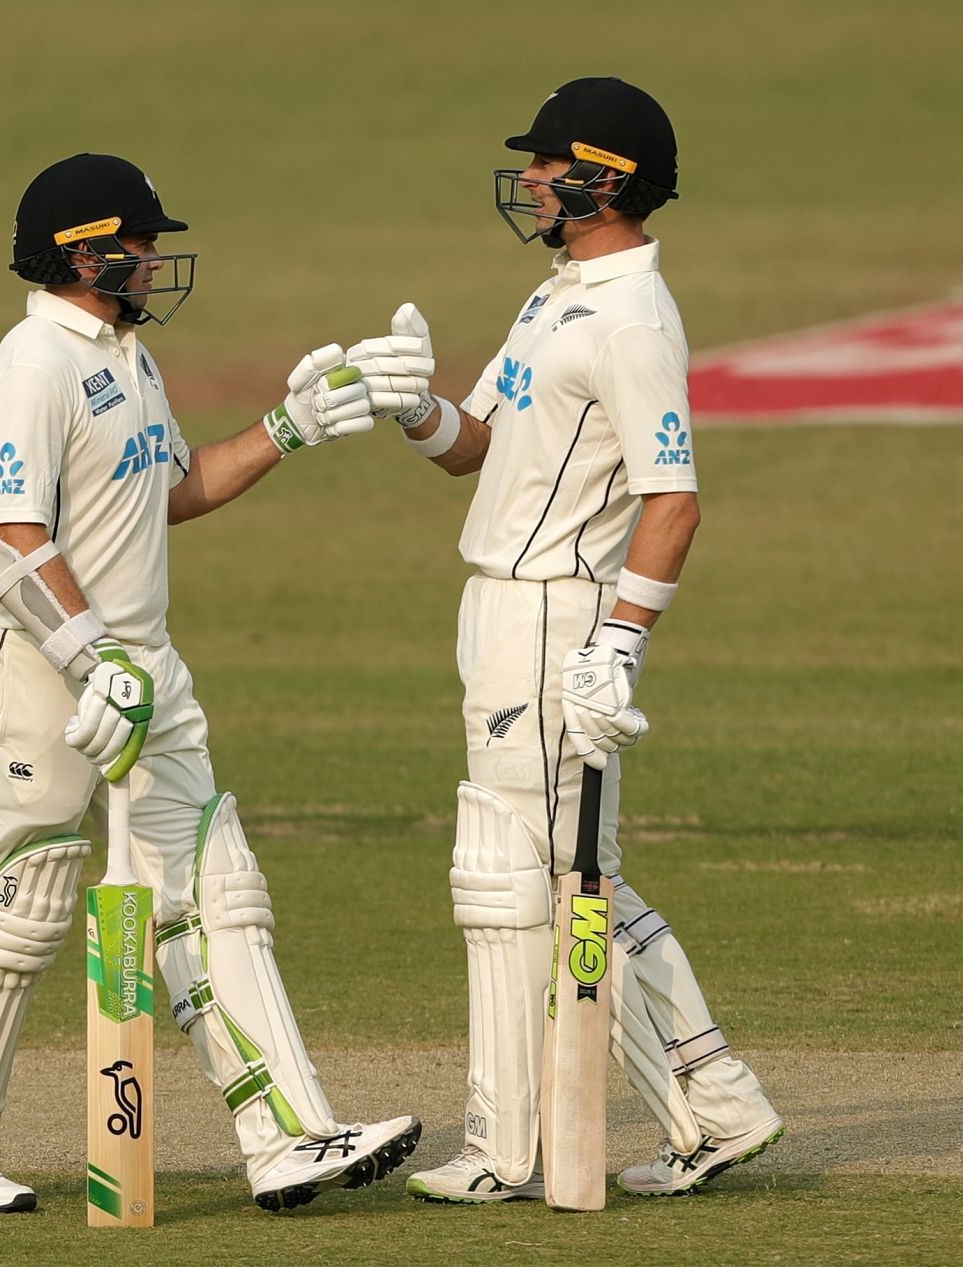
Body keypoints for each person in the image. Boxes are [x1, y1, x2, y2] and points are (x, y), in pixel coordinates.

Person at [0, 152, 421, 1215]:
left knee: (214, 890)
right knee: (17, 908)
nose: (151, 261)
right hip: (45, 676)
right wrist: (91, 662)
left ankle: (287, 1136)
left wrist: (286, 429)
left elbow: (173, 490)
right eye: (136, 245)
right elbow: (16, 534)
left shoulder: (128, 357)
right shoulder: (32, 363)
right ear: (82, 252)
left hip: (150, 669)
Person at [344, 78, 784, 1202]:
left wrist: (620, 642)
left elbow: (673, 498)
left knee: (520, 877)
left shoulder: (632, 319)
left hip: (559, 613)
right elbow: (472, 445)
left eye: (548, 165)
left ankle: (506, 1146)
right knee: (568, 870)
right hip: (501, 603)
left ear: (606, 179)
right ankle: (714, 1098)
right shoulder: (557, 295)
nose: (529, 180)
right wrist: (410, 406)